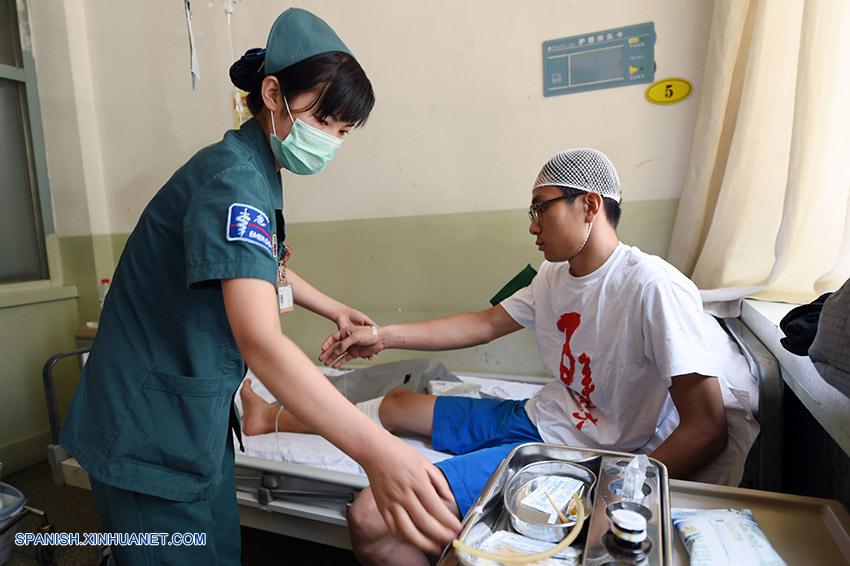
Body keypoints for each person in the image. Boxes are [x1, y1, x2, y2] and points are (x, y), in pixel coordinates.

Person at [59, 8, 460, 565]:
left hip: (195, 424)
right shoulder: (233, 182)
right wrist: (377, 452)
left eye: (342, 133)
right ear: (273, 94)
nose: (331, 143)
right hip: (146, 433)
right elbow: (263, 344)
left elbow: (256, 261)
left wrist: (332, 307)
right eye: (325, 123)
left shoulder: (255, 166)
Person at [250, 148, 757, 565]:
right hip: (541, 417)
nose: (532, 226)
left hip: (578, 453)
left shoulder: (651, 287)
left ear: (590, 205)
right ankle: (266, 416)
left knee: (370, 517)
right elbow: (485, 323)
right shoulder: (552, 276)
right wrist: (382, 335)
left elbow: (707, 427)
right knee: (399, 402)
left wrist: (615, 491)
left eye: (542, 208)